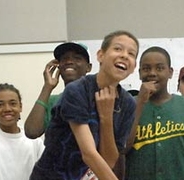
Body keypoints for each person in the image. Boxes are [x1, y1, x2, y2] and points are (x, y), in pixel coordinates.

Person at [29, 30, 139, 180]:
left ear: (133, 67)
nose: (125, 55)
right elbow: (89, 154)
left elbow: (108, 160)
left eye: (131, 54)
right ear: (101, 55)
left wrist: (106, 118)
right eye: (118, 49)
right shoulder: (77, 90)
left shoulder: (128, 103)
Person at [125, 46, 184, 180]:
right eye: (146, 68)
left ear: (170, 72)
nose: (152, 73)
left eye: (159, 68)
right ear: (139, 73)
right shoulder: (128, 106)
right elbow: (123, 148)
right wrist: (140, 103)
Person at [0, 83, 44, 180]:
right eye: (0, 105)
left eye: (13, 103)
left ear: (20, 107)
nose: (7, 109)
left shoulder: (34, 140)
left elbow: (44, 173)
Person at [24, 42, 92, 139]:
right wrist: (47, 87)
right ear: (58, 66)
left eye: (77, 58)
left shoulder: (97, 97)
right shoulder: (53, 101)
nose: (69, 62)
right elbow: (31, 132)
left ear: (88, 67)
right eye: (64, 58)